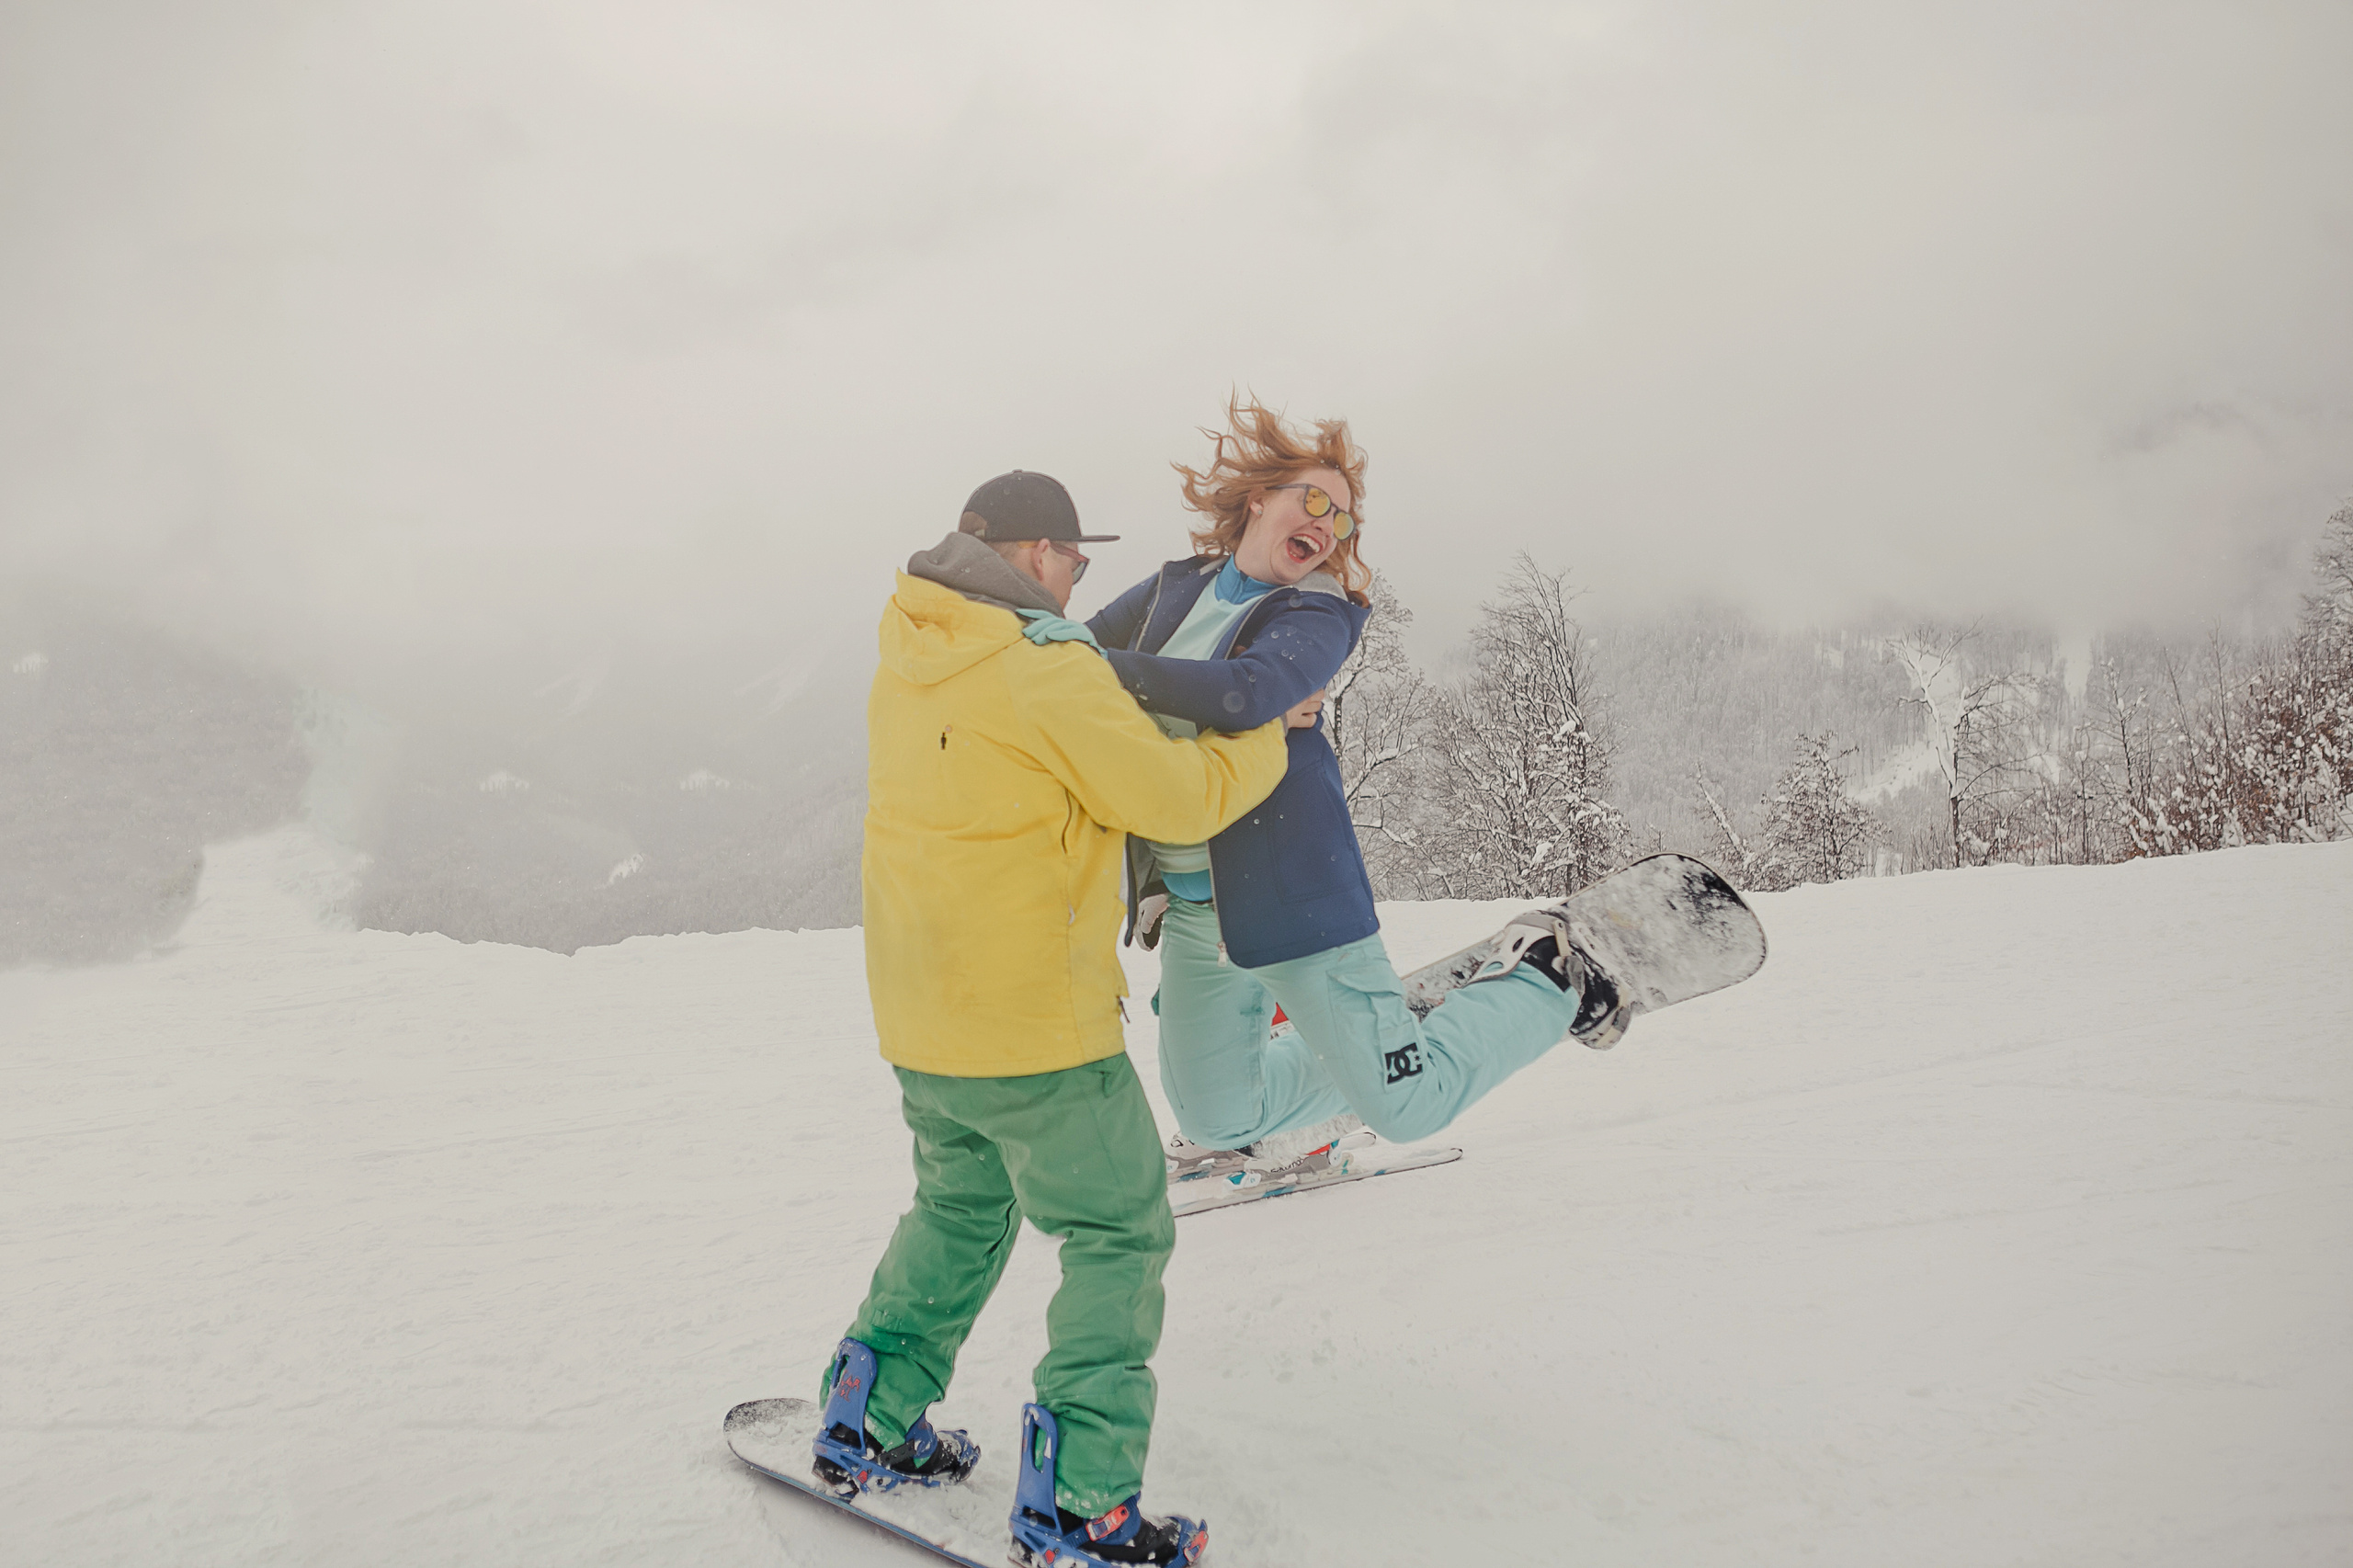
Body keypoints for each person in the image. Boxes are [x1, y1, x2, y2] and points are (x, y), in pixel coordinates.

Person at [812, 469, 1306, 1568]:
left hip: (921, 1012)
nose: (1080, 580)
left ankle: (867, 1410)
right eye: (1076, 560)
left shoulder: (909, 641)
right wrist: (1267, 726)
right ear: (1035, 556)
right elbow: (1174, 798)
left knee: (959, 1204)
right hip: (1035, 1025)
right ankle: (1081, 1502)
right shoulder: (1041, 666)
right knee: (1118, 1231)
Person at [1085, 402, 1625, 1181]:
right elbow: (1068, 666)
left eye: (1342, 519)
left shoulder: (1319, 611)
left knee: (1410, 1108)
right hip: (1199, 915)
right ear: (1257, 500)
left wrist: (1101, 672)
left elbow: (1249, 690)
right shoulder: (1177, 588)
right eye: (1313, 501)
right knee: (1217, 1118)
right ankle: (1364, 1049)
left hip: (1293, 900)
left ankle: (1548, 975)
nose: (1328, 525)